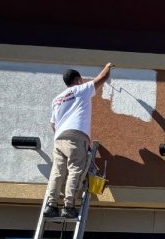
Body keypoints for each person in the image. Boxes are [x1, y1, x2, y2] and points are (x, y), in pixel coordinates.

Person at [43, 63, 113, 219]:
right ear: (77, 80)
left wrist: (61, 135)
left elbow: (53, 124)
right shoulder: (80, 90)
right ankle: (69, 206)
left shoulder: (57, 99)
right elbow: (102, 78)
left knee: (57, 172)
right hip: (76, 136)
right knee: (76, 170)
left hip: (59, 138)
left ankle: (51, 205)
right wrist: (108, 66)